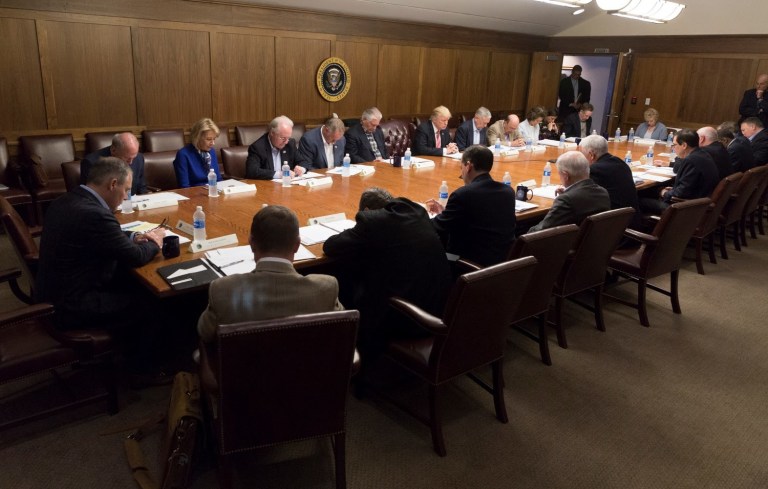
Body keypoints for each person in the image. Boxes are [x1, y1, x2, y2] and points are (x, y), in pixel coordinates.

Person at [35, 157, 166, 381]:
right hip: (73, 306)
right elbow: (135, 257)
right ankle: (142, 372)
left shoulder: (66, 201)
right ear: (112, 184)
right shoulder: (96, 215)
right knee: (151, 299)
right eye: (126, 190)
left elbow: (102, 236)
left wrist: (134, 235)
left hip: (52, 293)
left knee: (132, 283)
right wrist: (155, 242)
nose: (126, 196)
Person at [323, 187, 451, 358]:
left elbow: (330, 247)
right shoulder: (417, 212)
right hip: (439, 306)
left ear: (367, 211)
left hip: (411, 318)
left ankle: (356, 354)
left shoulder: (373, 221)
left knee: (344, 279)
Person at [198, 205, 343, 343]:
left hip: (245, 368)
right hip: (306, 368)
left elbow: (205, 334)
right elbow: (342, 330)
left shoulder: (223, 290)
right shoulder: (326, 289)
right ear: (297, 245)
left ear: (251, 243)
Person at [426, 145, 517, 267]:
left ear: (468, 166)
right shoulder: (508, 192)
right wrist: (446, 213)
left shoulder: (462, 194)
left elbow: (437, 227)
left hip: (468, 265)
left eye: (461, 167)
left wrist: (419, 217)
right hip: (502, 263)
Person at [639, 129, 719, 215]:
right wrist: (673, 189)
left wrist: (664, 193)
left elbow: (681, 194)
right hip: (699, 201)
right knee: (653, 190)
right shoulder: (703, 154)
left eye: (674, 145)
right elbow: (689, 185)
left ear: (684, 145)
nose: (673, 147)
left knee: (638, 199)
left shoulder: (691, 160)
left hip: (686, 208)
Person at [528, 151, 610, 232]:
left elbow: (541, 231)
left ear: (565, 175)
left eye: (559, 174)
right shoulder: (603, 192)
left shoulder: (566, 200)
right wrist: (569, 193)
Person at [578, 134, 641, 229]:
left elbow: (581, 198)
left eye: (582, 154)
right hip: (631, 221)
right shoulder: (620, 162)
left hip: (614, 230)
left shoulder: (595, 170)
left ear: (591, 155)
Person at [81, 132, 147, 196]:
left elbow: (141, 188)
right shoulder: (91, 163)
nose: (131, 162)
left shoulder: (139, 158)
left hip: (131, 204)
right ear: (113, 150)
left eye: (134, 157)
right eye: (127, 158)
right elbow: (90, 195)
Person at [245, 115, 305, 179]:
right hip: (266, 186)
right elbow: (252, 171)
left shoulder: (290, 143)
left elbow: (303, 161)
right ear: (272, 133)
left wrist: (301, 169)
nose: (286, 142)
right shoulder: (257, 147)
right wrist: (278, 175)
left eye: (288, 138)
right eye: (283, 138)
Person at [173, 118, 223, 188]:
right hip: (194, 195)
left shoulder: (212, 151)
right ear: (197, 137)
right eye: (209, 139)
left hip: (213, 192)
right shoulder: (183, 155)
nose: (213, 143)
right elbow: (184, 187)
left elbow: (218, 179)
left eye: (214, 139)